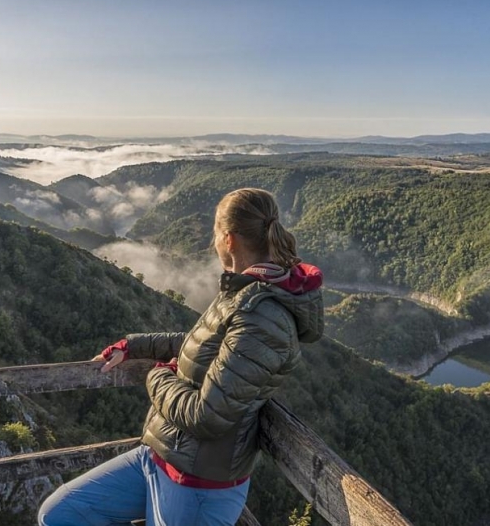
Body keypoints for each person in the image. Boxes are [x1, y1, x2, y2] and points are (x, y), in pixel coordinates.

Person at [38, 188, 324, 526]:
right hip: (161, 458)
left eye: (215, 234)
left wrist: (156, 375)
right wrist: (133, 346)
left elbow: (207, 417)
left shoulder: (262, 318)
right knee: (60, 514)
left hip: (199, 485)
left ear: (229, 239)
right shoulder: (244, 293)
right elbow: (198, 344)